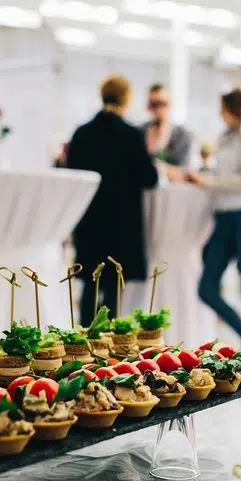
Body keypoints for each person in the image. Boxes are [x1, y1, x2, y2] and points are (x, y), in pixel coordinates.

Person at [66, 75, 162, 326]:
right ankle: (106, 343)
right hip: (120, 221)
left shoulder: (82, 133)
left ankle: (83, 337)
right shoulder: (130, 135)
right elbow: (149, 178)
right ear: (126, 99)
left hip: (89, 219)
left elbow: (71, 176)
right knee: (113, 285)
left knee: (90, 281)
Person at [189, 88, 241, 349]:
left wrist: (210, 181)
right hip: (223, 217)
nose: (219, 113)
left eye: (223, 107)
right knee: (206, 287)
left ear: (234, 108)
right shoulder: (223, 138)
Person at [143, 83, 194, 167]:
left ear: (169, 105)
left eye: (161, 103)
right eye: (153, 104)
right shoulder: (139, 133)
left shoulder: (183, 136)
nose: (157, 109)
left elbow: (184, 171)